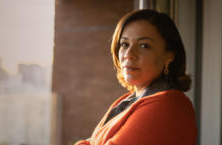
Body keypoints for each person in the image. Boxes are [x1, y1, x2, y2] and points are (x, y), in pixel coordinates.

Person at [75, 9, 198, 145]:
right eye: (124, 44)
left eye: (144, 45)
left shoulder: (169, 105)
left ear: (168, 55)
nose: (129, 54)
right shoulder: (129, 100)